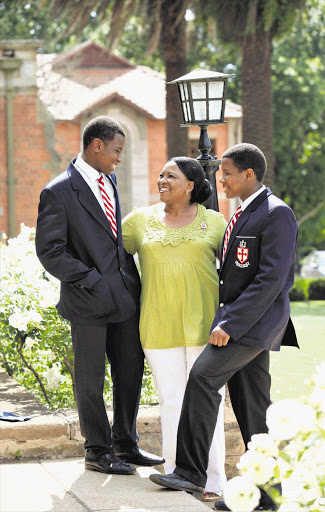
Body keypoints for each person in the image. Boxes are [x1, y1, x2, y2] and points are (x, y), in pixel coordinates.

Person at [149, 143, 299, 511]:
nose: (221, 179)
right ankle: (266, 496)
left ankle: (189, 472)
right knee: (254, 411)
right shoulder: (244, 213)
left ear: (249, 175)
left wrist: (229, 324)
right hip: (245, 324)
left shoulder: (276, 214)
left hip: (252, 326)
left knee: (202, 377)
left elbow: (271, 280)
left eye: (227, 172)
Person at [35, 115, 163, 475]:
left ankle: (125, 443)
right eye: (116, 151)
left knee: (130, 371)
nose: (119, 158)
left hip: (124, 298)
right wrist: (90, 279)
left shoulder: (110, 180)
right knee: (91, 380)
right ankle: (97, 451)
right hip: (87, 300)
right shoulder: (58, 191)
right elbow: (50, 251)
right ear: (97, 146)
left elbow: (111, 238)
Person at [122, 157, 228, 501]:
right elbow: (108, 254)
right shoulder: (139, 221)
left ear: (191, 185)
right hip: (157, 326)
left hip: (207, 330)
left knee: (208, 404)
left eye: (171, 175)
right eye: (161, 174)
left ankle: (213, 481)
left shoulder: (215, 222)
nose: (161, 179)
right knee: (171, 403)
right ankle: (175, 474)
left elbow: (236, 274)